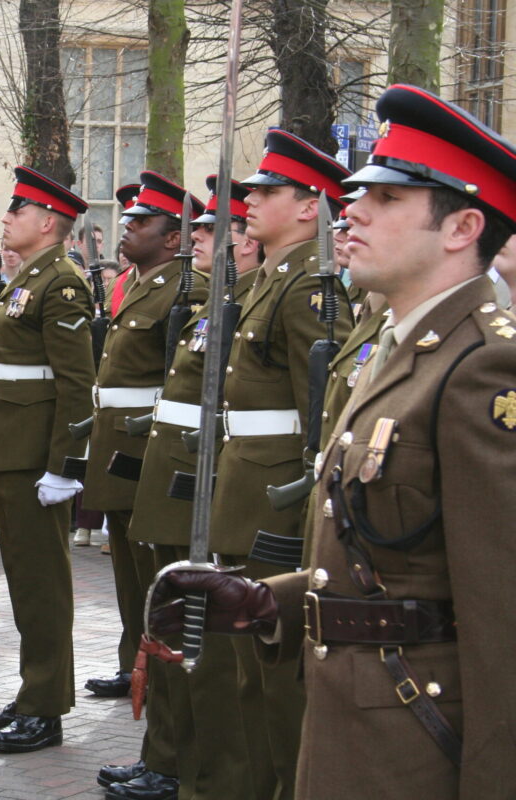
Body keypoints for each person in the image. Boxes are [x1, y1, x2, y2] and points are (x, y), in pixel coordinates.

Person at [149, 82, 516, 800]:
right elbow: (392, 562)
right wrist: (265, 600)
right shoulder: (405, 350)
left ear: (462, 228)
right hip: (353, 724)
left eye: (386, 200)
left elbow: (500, 618)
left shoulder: (483, 369)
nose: (354, 211)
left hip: (415, 743)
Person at [204, 128, 354, 800]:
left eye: (267, 191)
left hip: (278, 506)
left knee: (277, 681)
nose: (250, 201)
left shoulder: (307, 291)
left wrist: (300, 516)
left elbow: (322, 416)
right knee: (247, 678)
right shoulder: (268, 279)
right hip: (245, 491)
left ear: (307, 207)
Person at [104, 177, 261, 800]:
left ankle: (180, 763)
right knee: (162, 624)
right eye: (195, 229)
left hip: (200, 484)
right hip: (168, 477)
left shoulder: (246, 302)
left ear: (246, 241)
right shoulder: (214, 301)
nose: (197, 237)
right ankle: (163, 756)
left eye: (212, 229)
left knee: (189, 635)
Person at [82, 171, 208, 799]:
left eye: (141, 222)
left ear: (174, 236)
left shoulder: (187, 292)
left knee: (160, 614)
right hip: (122, 462)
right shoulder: (141, 286)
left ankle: (166, 755)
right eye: (128, 220)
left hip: (153, 470)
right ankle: (154, 748)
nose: (127, 228)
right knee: (140, 610)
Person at [0, 166, 94, 752]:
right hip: (10, 448)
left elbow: (77, 383)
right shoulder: (29, 279)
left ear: (48, 222)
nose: (9, 218)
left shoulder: (62, 283)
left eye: (19, 210)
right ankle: (32, 692)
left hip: (32, 457)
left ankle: (46, 708)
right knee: (24, 581)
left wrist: (64, 466)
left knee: (42, 586)